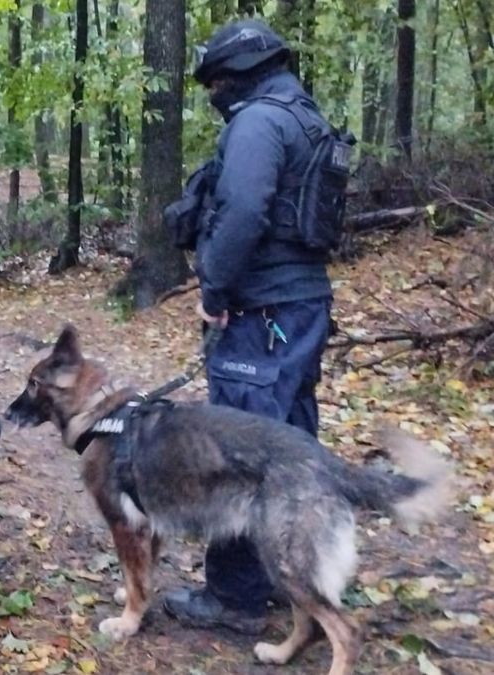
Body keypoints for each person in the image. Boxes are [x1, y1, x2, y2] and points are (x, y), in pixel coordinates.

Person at [162, 19, 335, 635]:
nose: (214, 95)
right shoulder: (306, 118)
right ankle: (299, 581)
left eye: (215, 83)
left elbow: (242, 211)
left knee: (239, 449)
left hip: (264, 315)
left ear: (237, 72)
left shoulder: (259, 122)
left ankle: (236, 595)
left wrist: (215, 289)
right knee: (292, 444)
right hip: (300, 309)